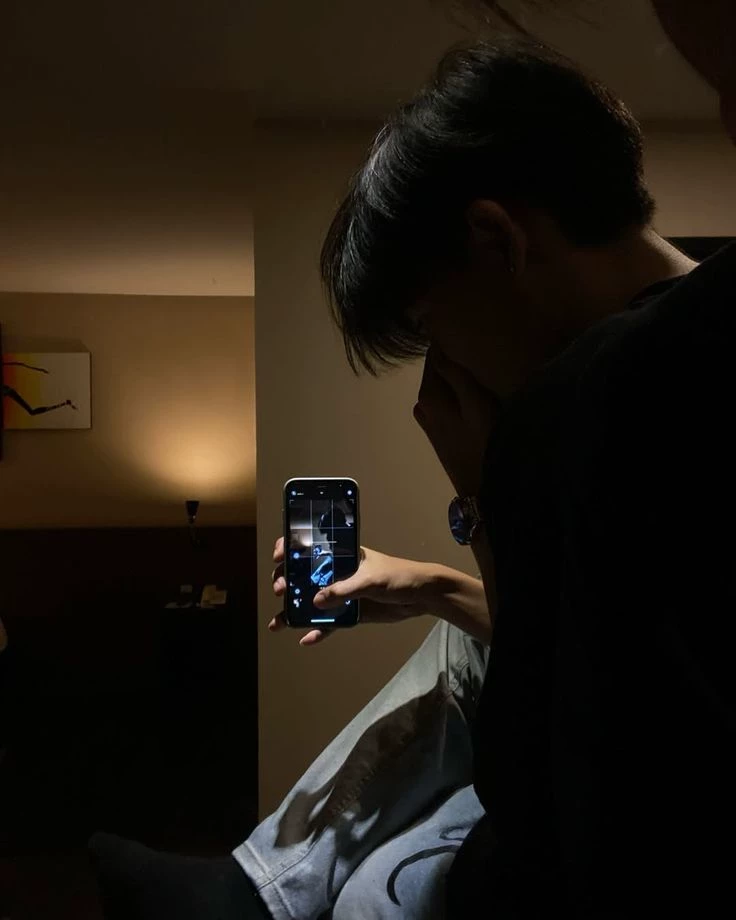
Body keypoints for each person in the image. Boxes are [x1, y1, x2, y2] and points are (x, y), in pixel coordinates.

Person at [90, 35, 722, 918]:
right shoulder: (699, 323)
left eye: (430, 323)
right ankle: (255, 887)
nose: (441, 359)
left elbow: (544, 784)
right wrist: (429, 583)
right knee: (455, 636)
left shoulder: (587, 396)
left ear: (496, 240)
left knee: (371, 895)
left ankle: (261, 894)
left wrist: (484, 490)